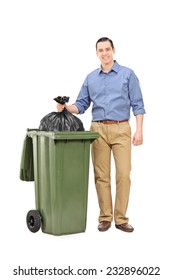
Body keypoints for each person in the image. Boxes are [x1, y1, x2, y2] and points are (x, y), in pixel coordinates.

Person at [57, 37, 145, 233]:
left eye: (107, 49)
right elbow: (81, 105)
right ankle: (105, 217)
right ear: (96, 53)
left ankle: (121, 219)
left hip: (122, 128)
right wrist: (65, 107)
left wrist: (139, 130)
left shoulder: (127, 75)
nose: (104, 53)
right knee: (101, 176)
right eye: (100, 50)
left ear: (113, 50)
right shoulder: (91, 78)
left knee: (123, 175)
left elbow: (138, 104)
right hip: (97, 131)